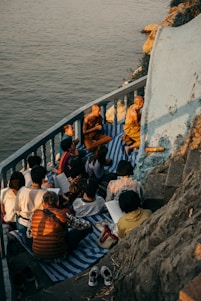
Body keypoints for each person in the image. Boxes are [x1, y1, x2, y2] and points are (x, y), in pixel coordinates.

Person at [27, 191, 92, 260]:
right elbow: (83, 225)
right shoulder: (62, 215)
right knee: (85, 229)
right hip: (59, 255)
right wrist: (89, 226)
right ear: (57, 202)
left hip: (38, 255)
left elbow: (29, 235)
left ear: (43, 203)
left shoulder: (34, 214)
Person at [15, 165, 47, 234]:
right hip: (38, 224)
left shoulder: (22, 190)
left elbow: (17, 209)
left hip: (22, 222)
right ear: (43, 179)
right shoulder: (45, 193)